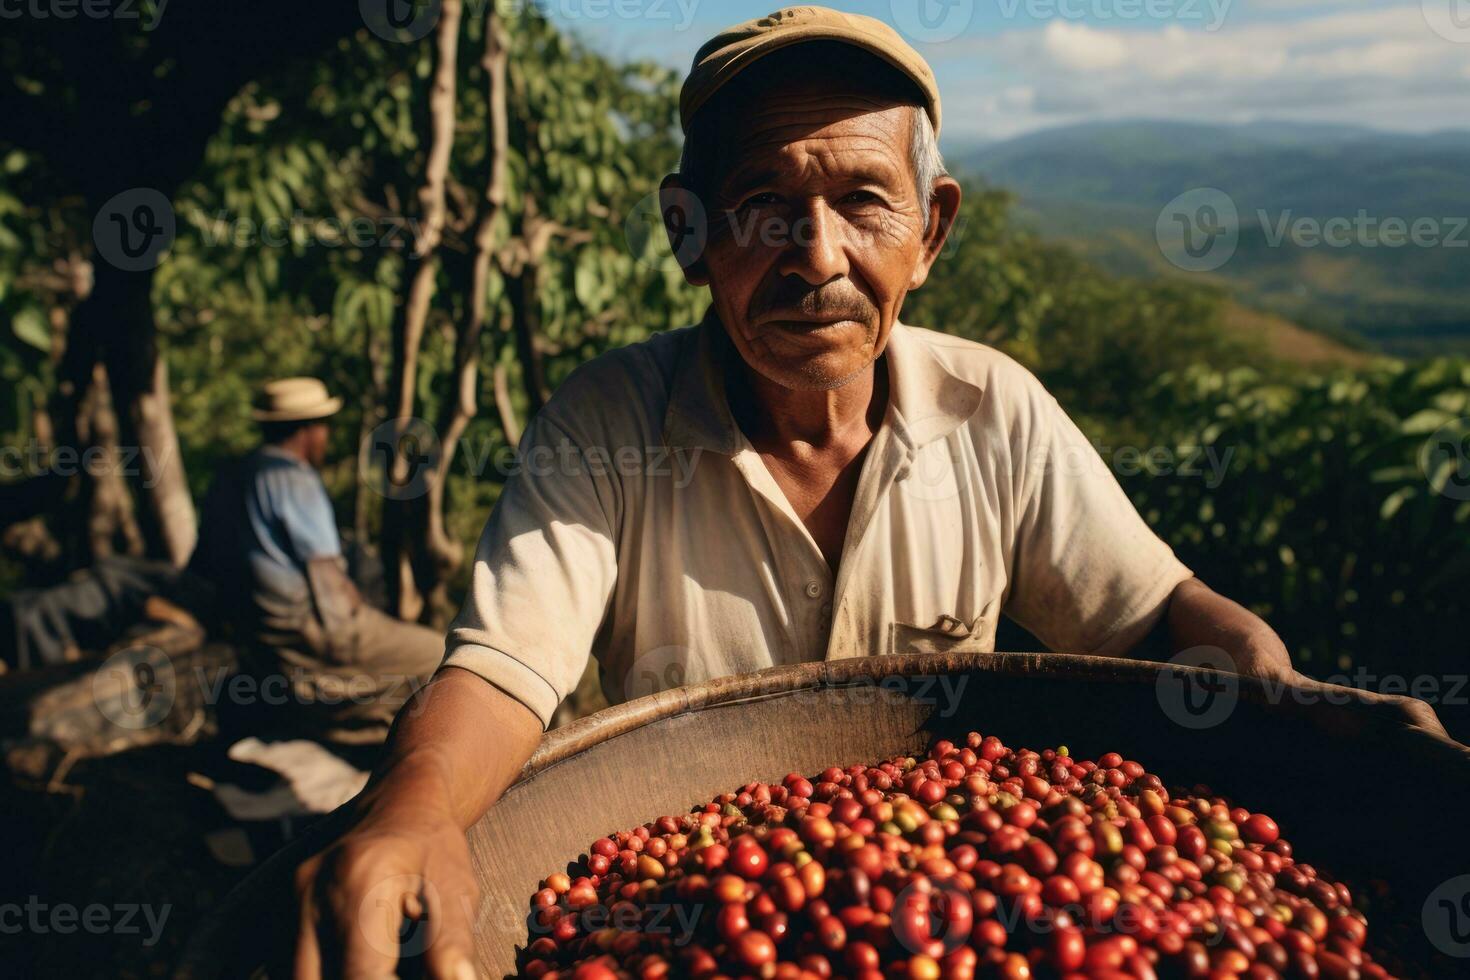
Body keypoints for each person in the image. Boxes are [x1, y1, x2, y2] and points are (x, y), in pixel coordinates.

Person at [288, 9, 1445, 977]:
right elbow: (501, 671)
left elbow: (1150, 621)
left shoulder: (994, 408)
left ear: (930, 231)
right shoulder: (609, 423)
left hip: (956, 872)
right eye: (761, 203)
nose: (817, 256)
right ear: (688, 235)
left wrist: (1280, 688)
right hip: (703, 899)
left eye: (863, 202)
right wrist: (414, 812)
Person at [189, 377, 444, 745]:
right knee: (439, 657)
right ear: (309, 430)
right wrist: (364, 627)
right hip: (309, 631)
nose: (326, 436)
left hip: (260, 631)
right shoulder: (292, 479)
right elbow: (332, 598)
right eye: (323, 426)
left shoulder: (232, 477)